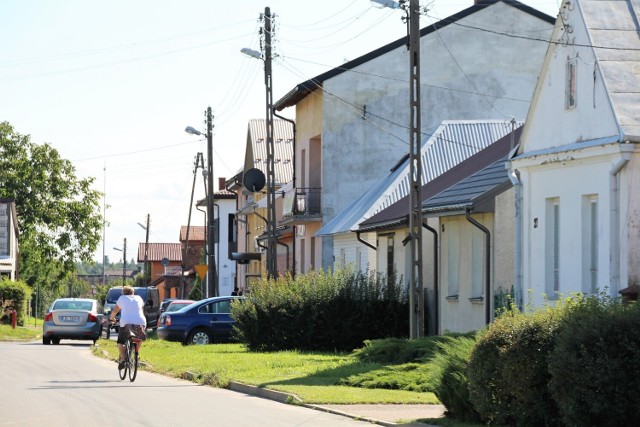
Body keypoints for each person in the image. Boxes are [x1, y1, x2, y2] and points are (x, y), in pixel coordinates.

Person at [108, 286, 146, 369]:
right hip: (141, 321)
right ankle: (136, 352)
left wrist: (111, 319)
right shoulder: (139, 298)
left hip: (126, 323)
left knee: (120, 342)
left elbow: (115, 311)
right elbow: (141, 310)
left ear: (123, 293)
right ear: (133, 292)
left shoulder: (122, 298)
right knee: (139, 337)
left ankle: (123, 359)